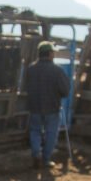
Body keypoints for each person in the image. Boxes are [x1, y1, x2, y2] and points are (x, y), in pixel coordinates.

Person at [24, 41, 71, 169]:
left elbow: (25, 87)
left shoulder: (31, 69)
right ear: (50, 53)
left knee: (35, 131)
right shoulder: (57, 70)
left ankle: (36, 153)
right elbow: (65, 91)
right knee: (51, 133)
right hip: (52, 107)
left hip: (35, 106)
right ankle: (46, 159)